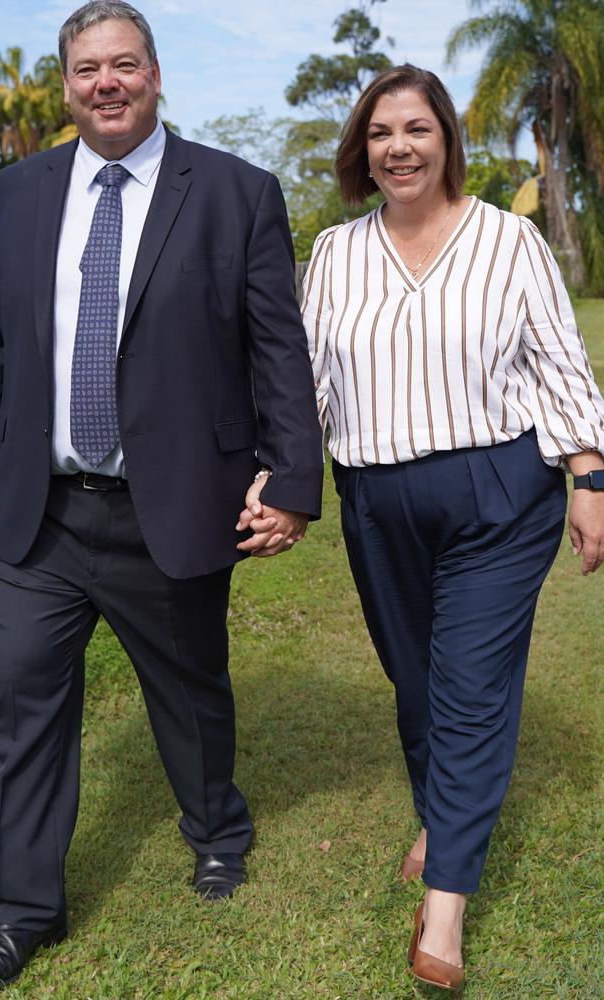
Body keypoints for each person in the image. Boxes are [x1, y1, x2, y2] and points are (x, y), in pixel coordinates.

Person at [0, 0, 323, 990]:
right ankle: (24, 908)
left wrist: (290, 480)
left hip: (171, 501)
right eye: (86, 69)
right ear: (66, 84)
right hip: (43, 511)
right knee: (27, 709)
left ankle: (214, 830)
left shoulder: (235, 191)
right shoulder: (23, 191)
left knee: (191, 691)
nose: (105, 82)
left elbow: (274, 346)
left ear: (156, 75)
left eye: (124, 64)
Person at [266, 65, 604, 990]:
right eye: (380, 134)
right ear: (361, 152)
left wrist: (590, 475)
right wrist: (281, 478)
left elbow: (559, 361)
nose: (399, 147)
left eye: (416, 129)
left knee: (468, 684)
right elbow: (310, 384)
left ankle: (446, 904)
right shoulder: (333, 253)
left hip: (499, 491)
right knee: (414, 678)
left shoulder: (510, 240)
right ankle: (441, 809)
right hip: (377, 498)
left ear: (447, 139)